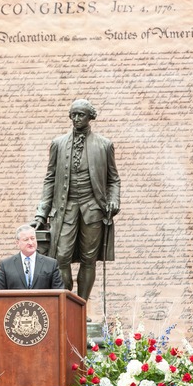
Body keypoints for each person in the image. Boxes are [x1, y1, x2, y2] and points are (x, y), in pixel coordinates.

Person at [31, 99, 121, 301]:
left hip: (93, 209)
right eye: (73, 114)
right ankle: (67, 304)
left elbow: (113, 179)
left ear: (91, 117)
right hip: (65, 209)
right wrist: (41, 213)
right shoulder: (58, 144)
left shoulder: (104, 145)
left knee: (89, 260)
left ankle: (81, 306)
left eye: (81, 115)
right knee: (61, 257)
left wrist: (114, 201)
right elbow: (50, 179)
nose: (76, 119)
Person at [0, 224, 64, 290]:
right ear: (17, 243)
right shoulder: (6, 265)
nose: (30, 243)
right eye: (26, 240)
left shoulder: (51, 264)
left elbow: (59, 292)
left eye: (32, 238)